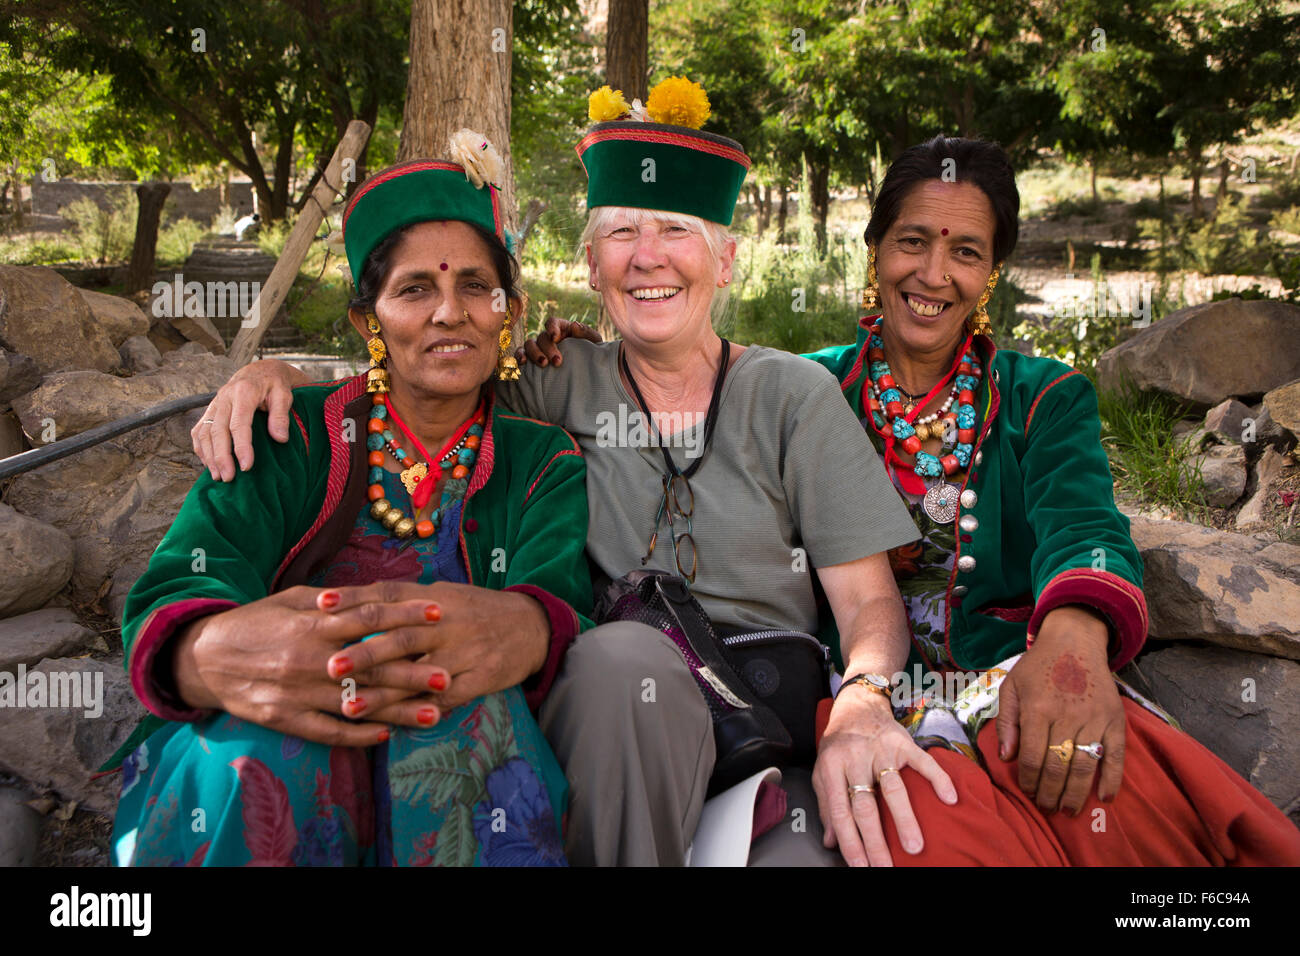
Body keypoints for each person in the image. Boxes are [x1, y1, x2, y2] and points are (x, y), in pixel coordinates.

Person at [192, 79, 954, 867]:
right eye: (621, 231)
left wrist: (864, 704)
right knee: (619, 663)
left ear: (725, 260)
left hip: (759, 721)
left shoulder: (793, 394)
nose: (647, 255)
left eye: (676, 231)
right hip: (608, 708)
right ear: (592, 265)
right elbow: (421, 361)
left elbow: (869, 603)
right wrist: (269, 374)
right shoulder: (550, 382)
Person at [526, 135, 1300, 865]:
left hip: (1003, 679)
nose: (933, 274)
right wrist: (556, 344)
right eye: (912, 242)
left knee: (1118, 801)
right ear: (876, 252)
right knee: (935, 830)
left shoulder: (1040, 397)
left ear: (990, 272)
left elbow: (1083, 527)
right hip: (849, 693)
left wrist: (1072, 644)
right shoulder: (815, 385)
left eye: (966, 252)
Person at [111, 136, 597, 867]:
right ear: (368, 324)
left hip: (456, 721)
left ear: (509, 313)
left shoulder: (541, 462)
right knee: (260, 751)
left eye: (475, 287)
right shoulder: (285, 432)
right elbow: (184, 583)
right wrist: (215, 654)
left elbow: (556, 602)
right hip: (284, 725)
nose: (448, 313)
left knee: (468, 728)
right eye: (413, 290)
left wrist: (520, 627)